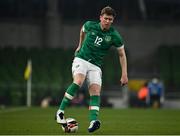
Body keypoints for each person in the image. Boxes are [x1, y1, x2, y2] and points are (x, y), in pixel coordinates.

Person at [55, 6, 128, 133]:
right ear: (100, 18)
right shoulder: (90, 25)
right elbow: (82, 31)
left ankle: (93, 121)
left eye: (110, 19)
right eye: (106, 18)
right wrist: (79, 45)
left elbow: (122, 54)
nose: (108, 21)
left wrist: (124, 74)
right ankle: (60, 112)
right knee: (78, 81)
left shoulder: (115, 36)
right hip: (81, 59)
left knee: (95, 92)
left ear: (113, 20)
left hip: (96, 65)